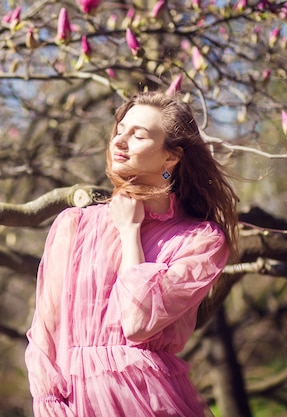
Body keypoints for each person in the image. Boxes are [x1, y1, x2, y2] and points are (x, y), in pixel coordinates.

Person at [24, 90, 239, 417]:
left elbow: (138, 322)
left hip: (148, 402)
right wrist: (48, 404)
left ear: (171, 158)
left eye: (138, 135)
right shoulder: (74, 224)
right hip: (75, 402)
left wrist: (129, 231)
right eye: (119, 131)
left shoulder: (200, 240)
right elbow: (46, 332)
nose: (120, 142)